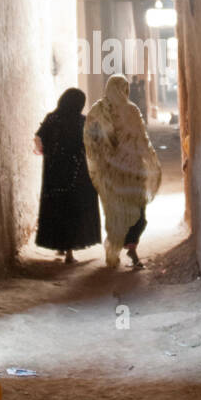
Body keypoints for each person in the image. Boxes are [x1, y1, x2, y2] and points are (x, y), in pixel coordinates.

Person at [84, 74, 162, 269]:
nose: (125, 92)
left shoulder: (98, 110)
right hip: (128, 172)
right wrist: (150, 160)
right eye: (124, 88)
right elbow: (142, 141)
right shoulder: (126, 110)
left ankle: (124, 249)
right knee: (132, 213)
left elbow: (91, 140)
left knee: (120, 213)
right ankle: (130, 251)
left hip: (119, 173)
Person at [33, 88, 101, 263]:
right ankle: (69, 252)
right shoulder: (82, 122)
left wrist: (45, 152)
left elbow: (38, 139)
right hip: (77, 172)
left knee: (57, 207)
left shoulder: (52, 118)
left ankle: (60, 246)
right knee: (74, 209)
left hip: (53, 172)